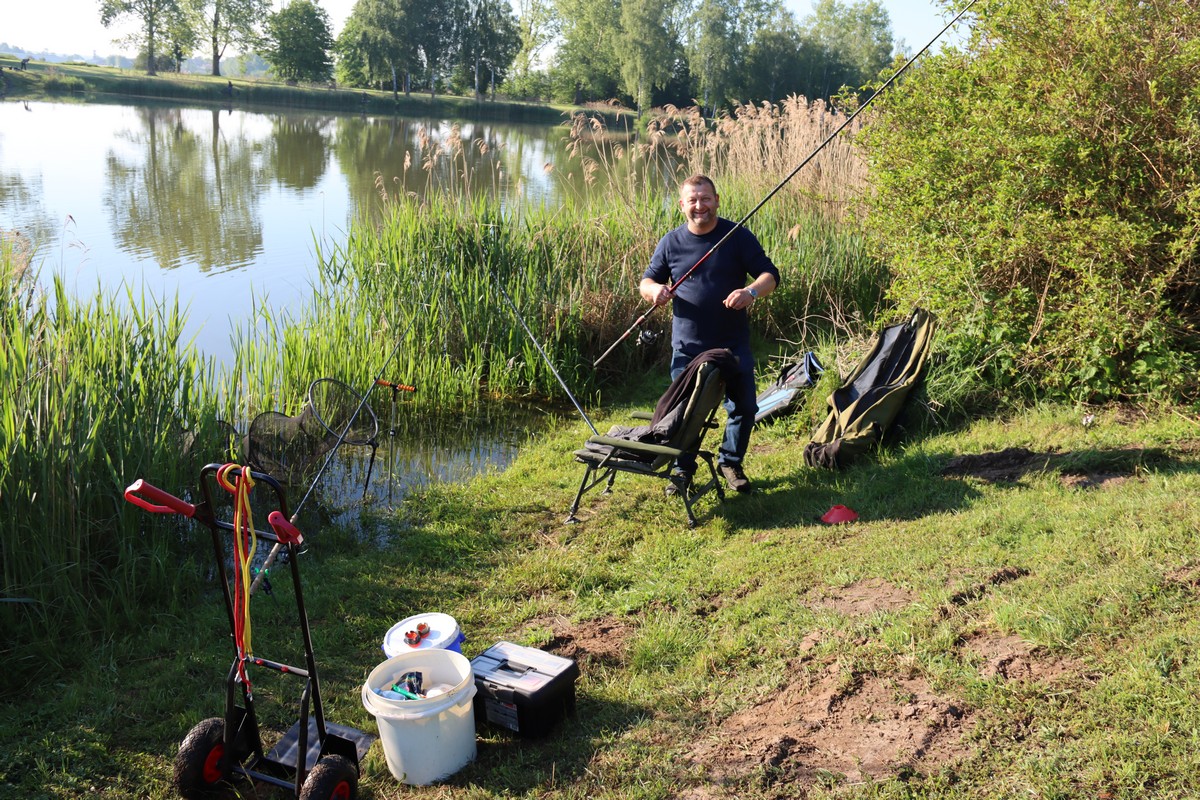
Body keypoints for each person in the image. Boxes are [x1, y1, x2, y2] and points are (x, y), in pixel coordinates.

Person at [639, 174, 779, 494]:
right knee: (685, 413)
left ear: (717, 200)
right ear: (682, 205)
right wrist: (655, 291)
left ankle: (730, 461)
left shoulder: (737, 236)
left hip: (732, 344)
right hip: (688, 346)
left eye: (705, 198)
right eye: (693, 200)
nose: (699, 206)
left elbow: (770, 275)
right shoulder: (670, 243)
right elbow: (646, 282)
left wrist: (750, 292)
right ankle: (682, 470)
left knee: (745, 407)